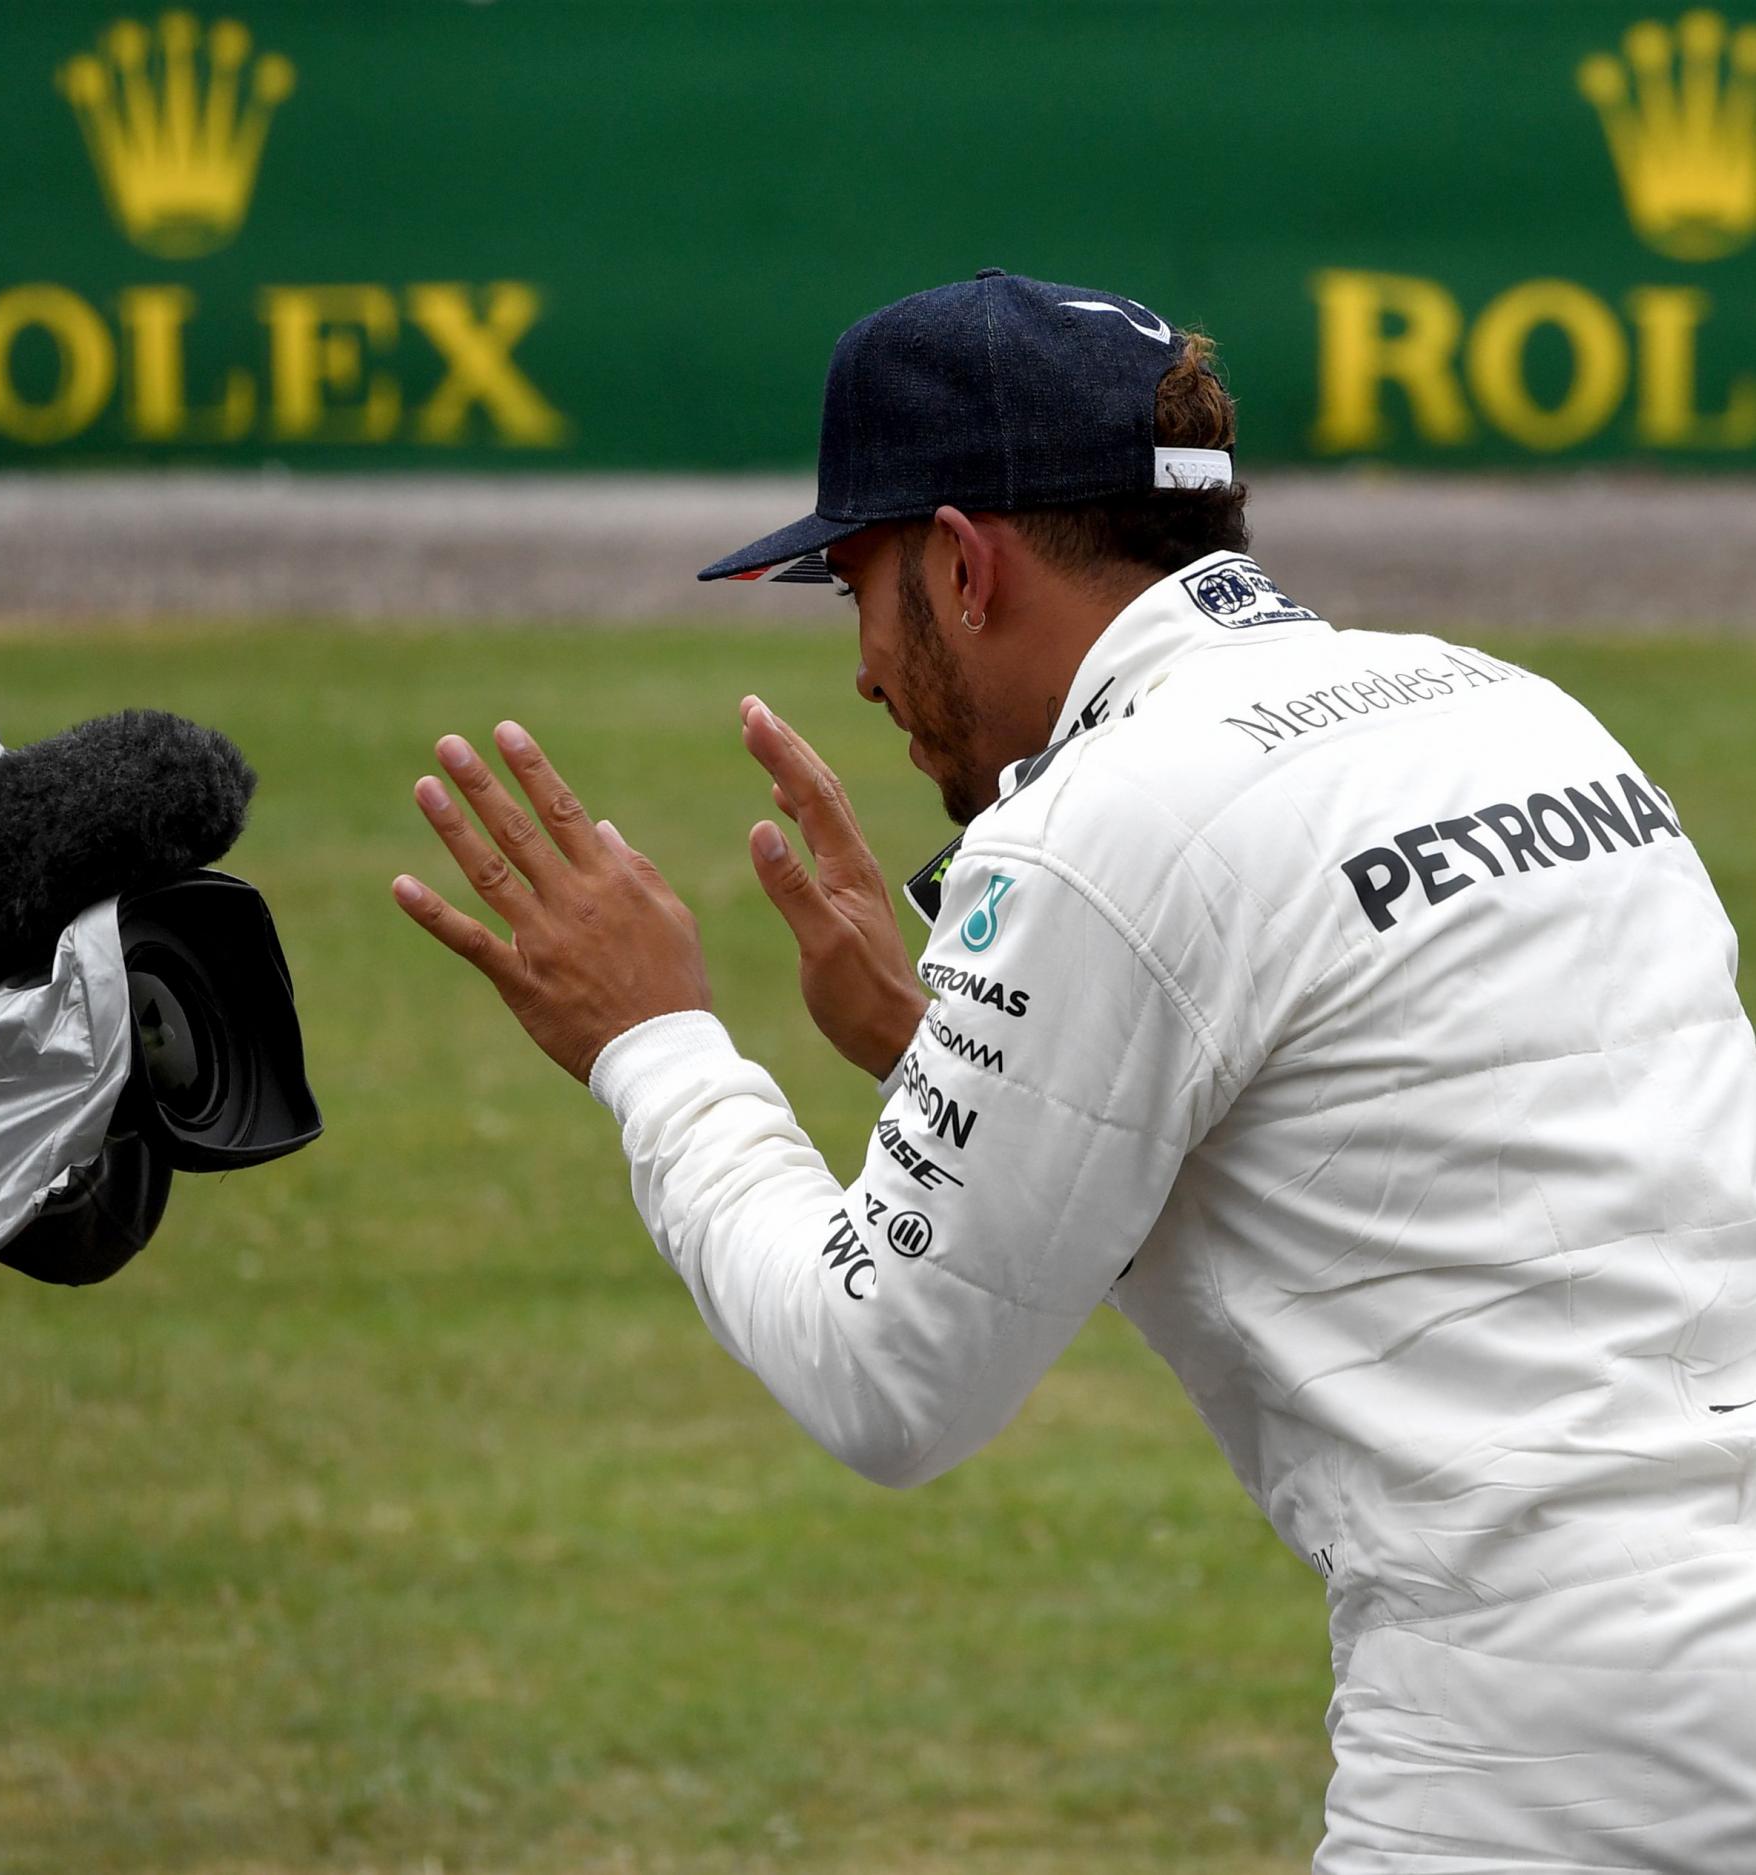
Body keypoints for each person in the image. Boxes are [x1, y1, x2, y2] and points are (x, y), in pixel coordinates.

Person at [392, 269, 1756, 1870]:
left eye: (853, 586)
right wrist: (935, 1050)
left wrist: (658, 1044)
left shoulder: (1100, 825)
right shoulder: (1520, 714)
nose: (861, 674)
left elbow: (884, 1379)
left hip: (1555, 1751)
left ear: (960, 564)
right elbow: (1369, 1185)